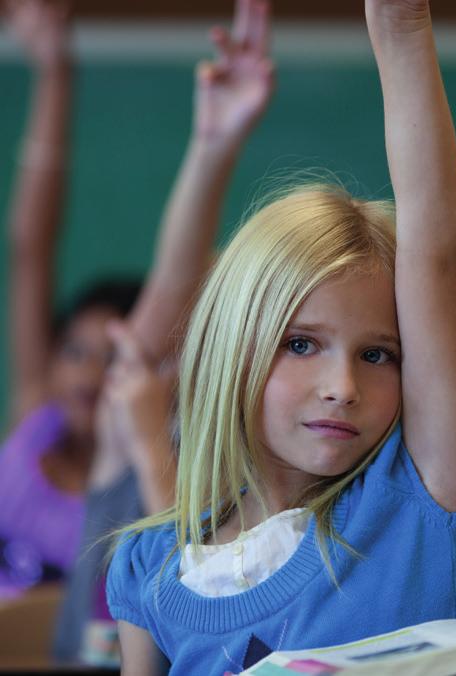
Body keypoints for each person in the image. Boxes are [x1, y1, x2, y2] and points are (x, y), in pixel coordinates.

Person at [106, 0, 456, 674]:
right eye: (300, 344)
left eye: (378, 355)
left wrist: (400, 27)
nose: (343, 388)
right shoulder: (147, 566)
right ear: (233, 351)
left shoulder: (412, 497)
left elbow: (438, 256)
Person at [0, 0, 272, 601]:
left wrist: (215, 144)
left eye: (112, 357)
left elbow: (178, 280)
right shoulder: (35, 415)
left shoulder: (146, 463)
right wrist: (54, 70)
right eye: (74, 350)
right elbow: (29, 247)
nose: (90, 373)